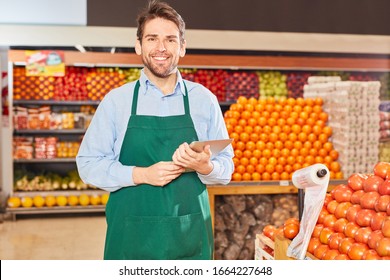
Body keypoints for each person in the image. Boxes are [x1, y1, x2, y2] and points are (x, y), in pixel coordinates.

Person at [76, 0, 234, 260]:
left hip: (189, 236)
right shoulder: (117, 101)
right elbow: (88, 165)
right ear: (139, 45)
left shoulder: (204, 100)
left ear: (182, 47)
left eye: (171, 40)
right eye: (152, 39)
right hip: (130, 239)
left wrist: (206, 167)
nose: (161, 48)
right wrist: (141, 174)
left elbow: (226, 169)